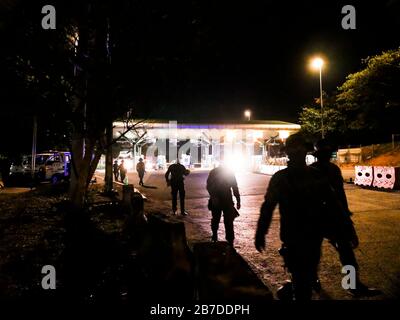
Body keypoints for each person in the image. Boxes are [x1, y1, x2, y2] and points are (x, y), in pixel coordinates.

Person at [254, 133, 357, 300]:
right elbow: (335, 204)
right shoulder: (306, 176)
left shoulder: (287, 178)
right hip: (302, 236)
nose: (296, 153)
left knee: (305, 278)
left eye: (298, 150)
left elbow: (335, 203)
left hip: (306, 235)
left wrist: (261, 233)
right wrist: (260, 232)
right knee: (304, 280)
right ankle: (349, 284)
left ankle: (350, 284)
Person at [311, 139, 379, 296]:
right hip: (323, 218)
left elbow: (340, 196)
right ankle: (348, 284)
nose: (326, 156)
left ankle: (346, 284)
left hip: (328, 218)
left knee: (343, 253)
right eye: (324, 153)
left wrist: (346, 216)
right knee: (340, 253)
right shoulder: (323, 170)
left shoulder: (330, 170)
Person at [206, 164, 241, 246]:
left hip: (216, 200)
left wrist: (213, 196)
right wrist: (238, 200)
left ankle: (214, 236)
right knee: (228, 221)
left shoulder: (213, 172)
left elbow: (208, 186)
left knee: (215, 219)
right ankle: (230, 240)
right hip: (227, 199)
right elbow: (235, 187)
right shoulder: (229, 172)